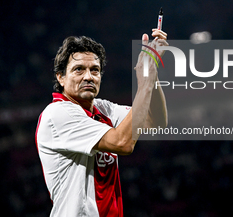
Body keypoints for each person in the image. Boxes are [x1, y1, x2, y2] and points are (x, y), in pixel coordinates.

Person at [35, 29, 168, 217]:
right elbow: (123, 143)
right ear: (60, 77)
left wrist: (151, 73)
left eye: (94, 70)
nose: (88, 77)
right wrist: (144, 82)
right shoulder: (57, 113)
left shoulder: (103, 109)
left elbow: (156, 122)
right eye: (79, 69)